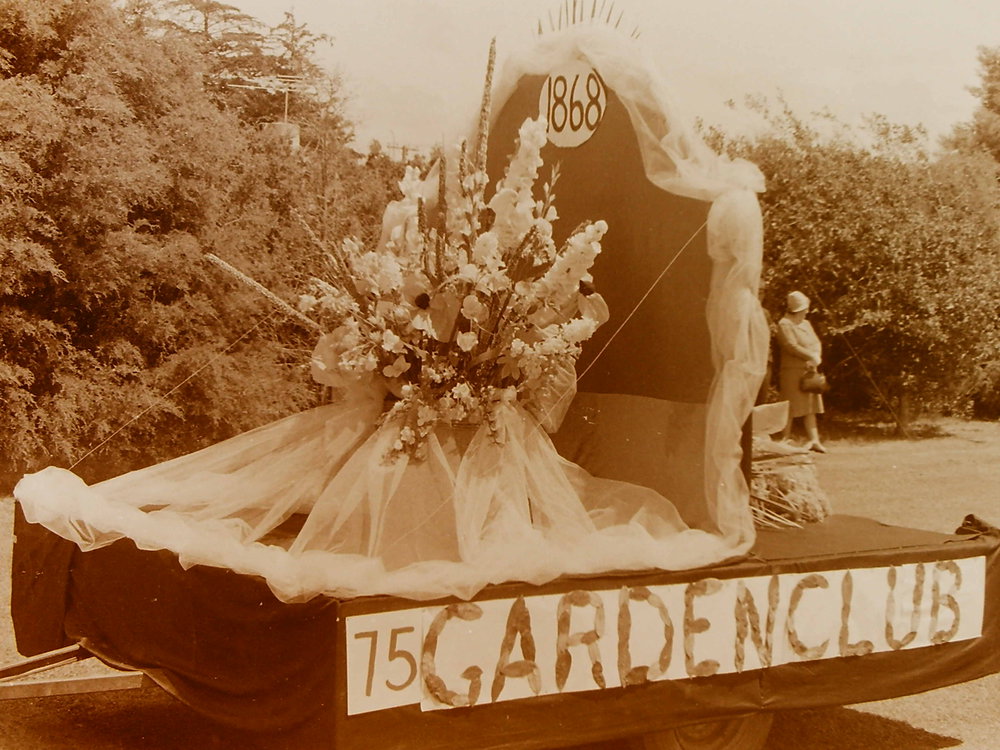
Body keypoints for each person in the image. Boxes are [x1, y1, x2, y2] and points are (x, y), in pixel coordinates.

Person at [776, 290, 826, 453]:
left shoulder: (806, 324)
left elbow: (816, 342)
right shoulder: (784, 324)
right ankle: (785, 439)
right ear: (797, 309)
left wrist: (816, 356)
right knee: (790, 405)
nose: (807, 312)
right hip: (792, 371)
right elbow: (791, 346)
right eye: (804, 309)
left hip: (809, 369)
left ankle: (814, 440)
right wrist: (810, 355)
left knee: (810, 406)